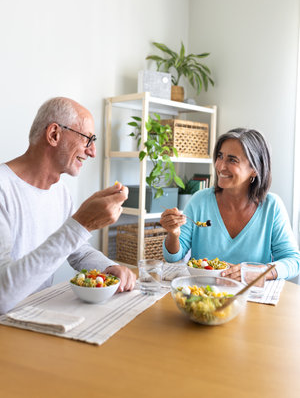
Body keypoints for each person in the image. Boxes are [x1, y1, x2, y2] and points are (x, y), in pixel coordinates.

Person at [0, 97, 136, 314]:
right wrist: (81, 224)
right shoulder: (3, 188)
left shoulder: (59, 191)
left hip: (36, 315)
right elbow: (2, 295)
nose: (92, 152)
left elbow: (76, 249)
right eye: (87, 139)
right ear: (54, 134)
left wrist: (108, 268)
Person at [160, 128, 300, 281]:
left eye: (232, 160)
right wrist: (173, 234)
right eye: (220, 156)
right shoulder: (199, 201)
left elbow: (293, 262)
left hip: (249, 297)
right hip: (204, 296)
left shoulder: (272, 207)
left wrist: (260, 272)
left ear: (254, 169)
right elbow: (173, 257)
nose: (220, 166)